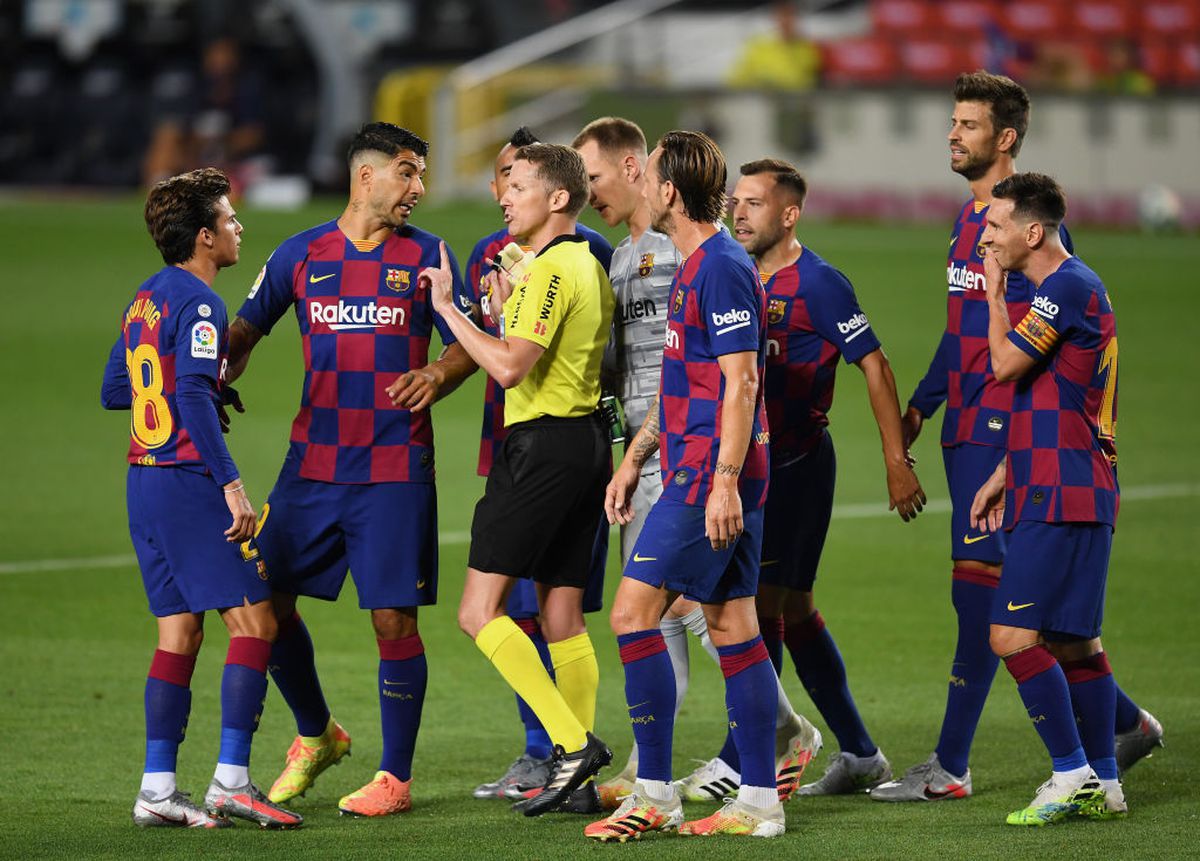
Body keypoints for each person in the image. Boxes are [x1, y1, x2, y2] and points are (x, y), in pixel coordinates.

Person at [879, 71, 1161, 803]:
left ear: (1004, 138)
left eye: (967, 124)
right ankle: (1122, 727)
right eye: (952, 121)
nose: (952, 134)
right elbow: (961, 331)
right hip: (966, 424)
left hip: (1010, 432)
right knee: (1009, 607)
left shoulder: (1030, 238)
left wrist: (1009, 447)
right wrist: (923, 406)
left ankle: (955, 763)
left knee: (990, 601)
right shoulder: (969, 222)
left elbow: (1035, 356)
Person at [224, 123, 477, 817]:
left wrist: (438, 371)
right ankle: (318, 734)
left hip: (394, 466)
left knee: (392, 619)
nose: (418, 187)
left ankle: (395, 777)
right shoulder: (300, 253)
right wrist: (213, 368)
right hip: (312, 464)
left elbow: (468, 342)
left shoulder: (428, 254)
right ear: (366, 175)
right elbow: (246, 329)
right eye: (407, 172)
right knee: (264, 604)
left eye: (420, 174)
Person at [574, 119, 820, 810]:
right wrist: (635, 460)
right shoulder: (695, 265)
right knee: (731, 626)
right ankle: (760, 799)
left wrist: (723, 483)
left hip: (706, 477)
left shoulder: (720, 269)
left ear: (671, 192)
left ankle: (653, 792)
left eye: (651, 176)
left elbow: (742, 383)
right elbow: (684, 384)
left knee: (632, 614)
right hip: (692, 467)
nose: (643, 186)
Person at [102, 168, 301, 829]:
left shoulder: (146, 298)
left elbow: (116, 388)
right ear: (206, 237)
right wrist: (232, 484)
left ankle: (158, 790)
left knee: (180, 631)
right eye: (229, 217)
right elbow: (188, 390)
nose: (239, 226)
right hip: (189, 483)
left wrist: (200, 389)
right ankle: (231, 782)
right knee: (256, 623)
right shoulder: (202, 302)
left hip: (143, 479)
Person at [423, 142, 616, 818]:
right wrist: (508, 313)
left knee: (479, 611)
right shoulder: (580, 263)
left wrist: (451, 310)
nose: (505, 195)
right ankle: (578, 782)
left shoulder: (552, 268)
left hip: (542, 449)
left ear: (557, 198)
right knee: (561, 613)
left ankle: (573, 745)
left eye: (520, 185)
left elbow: (509, 368)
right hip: (585, 442)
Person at [724, 158, 927, 798]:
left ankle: (743, 759)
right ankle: (861, 754)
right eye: (736, 201)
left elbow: (875, 365)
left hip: (795, 469)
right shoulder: (733, 273)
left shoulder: (818, 283)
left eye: (754, 203)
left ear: (789, 214)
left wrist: (896, 462)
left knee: (759, 608)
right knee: (794, 610)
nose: (738, 212)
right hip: (748, 468)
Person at [971, 172, 1124, 824]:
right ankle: (1106, 781)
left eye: (995, 225)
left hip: (1061, 489)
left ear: (1032, 232)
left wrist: (993, 296)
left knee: (1010, 634)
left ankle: (1070, 773)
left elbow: (1006, 364)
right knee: (1075, 642)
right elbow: (1058, 395)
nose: (985, 237)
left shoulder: (1065, 285)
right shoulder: (1070, 287)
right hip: (1075, 483)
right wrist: (1008, 470)